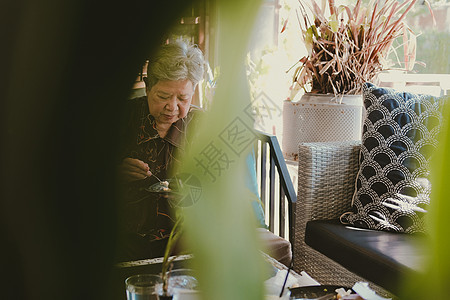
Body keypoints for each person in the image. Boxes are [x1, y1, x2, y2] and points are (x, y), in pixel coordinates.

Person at [116, 40, 205, 261]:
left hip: (186, 240)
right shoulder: (120, 120)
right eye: (163, 96)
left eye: (183, 98)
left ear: (193, 92)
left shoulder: (204, 128)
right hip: (125, 239)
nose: (172, 107)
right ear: (147, 87)